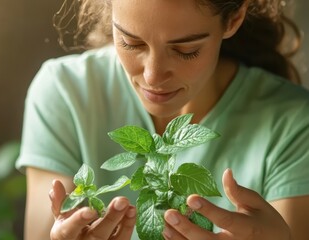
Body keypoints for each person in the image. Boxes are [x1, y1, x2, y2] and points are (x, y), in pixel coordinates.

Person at [16, 0, 309, 239]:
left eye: (186, 50)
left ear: (233, 19)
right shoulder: (67, 92)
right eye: (131, 43)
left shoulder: (294, 122)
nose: (153, 76)